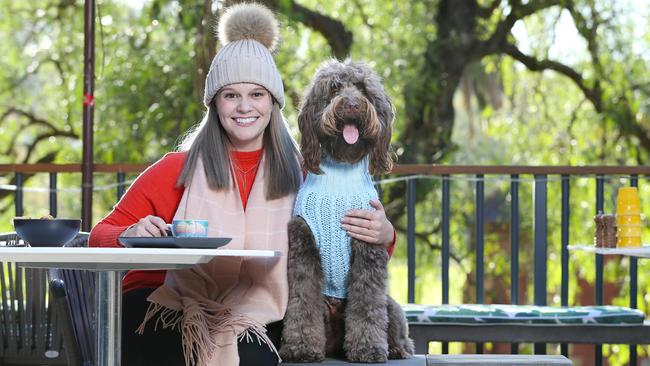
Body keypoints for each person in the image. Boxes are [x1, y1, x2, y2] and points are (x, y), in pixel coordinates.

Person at [89, 3, 396, 366]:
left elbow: (338, 253)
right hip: (165, 301)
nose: (243, 107)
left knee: (257, 356)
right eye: (231, 94)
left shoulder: (305, 176)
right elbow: (99, 236)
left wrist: (385, 233)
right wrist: (132, 231)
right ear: (215, 104)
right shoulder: (179, 168)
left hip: (258, 308)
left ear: (273, 103)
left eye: (257, 94)